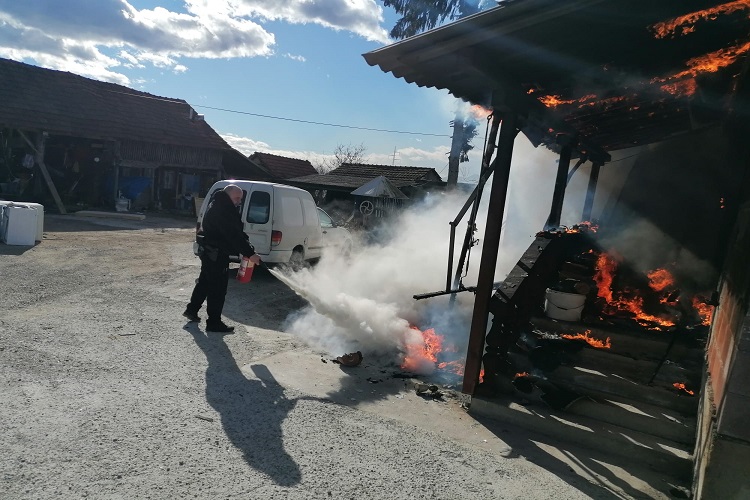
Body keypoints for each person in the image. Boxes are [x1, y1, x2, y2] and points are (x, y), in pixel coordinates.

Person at [183, 184, 261, 332]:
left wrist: (249, 248)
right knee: (217, 289)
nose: (239, 201)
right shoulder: (223, 210)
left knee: (205, 282)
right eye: (237, 198)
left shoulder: (219, 204)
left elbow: (237, 232)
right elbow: (233, 235)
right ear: (228, 195)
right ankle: (214, 323)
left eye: (240, 199)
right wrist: (250, 253)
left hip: (210, 253)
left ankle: (192, 310)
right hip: (216, 254)